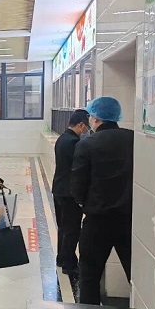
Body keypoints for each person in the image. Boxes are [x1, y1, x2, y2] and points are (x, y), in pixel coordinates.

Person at [71, 97, 134, 306]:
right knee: (136, 275)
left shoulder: (86, 144)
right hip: (130, 220)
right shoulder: (134, 139)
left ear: (96, 118)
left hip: (97, 221)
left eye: (90, 116)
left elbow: (77, 185)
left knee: (89, 277)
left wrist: (85, 203)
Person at [52, 110, 89, 278]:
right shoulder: (74, 142)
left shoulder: (62, 138)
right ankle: (69, 263)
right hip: (69, 193)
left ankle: (61, 258)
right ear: (81, 125)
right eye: (86, 127)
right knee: (72, 229)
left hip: (59, 189)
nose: (86, 131)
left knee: (63, 227)